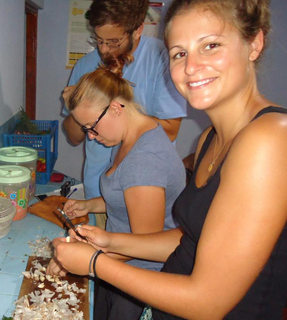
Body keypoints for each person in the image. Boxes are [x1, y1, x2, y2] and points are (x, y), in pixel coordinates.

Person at [52, 0, 287, 319]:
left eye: (211, 45)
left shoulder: (270, 138)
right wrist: (110, 240)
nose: (191, 67)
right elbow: (191, 237)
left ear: (254, 43)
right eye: (180, 53)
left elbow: (209, 302)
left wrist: (95, 263)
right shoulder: (209, 139)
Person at [49, 56, 185, 319]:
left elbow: (144, 246)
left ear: (115, 108)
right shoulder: (130, 137)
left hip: (138, 281)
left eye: (91, 127)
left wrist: (86, 259)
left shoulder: (145, 161)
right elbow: (125, 195)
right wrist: (90, 204)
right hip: (115, 263)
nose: (90, 136)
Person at [62, 0, 187, 229]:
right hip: (102, 194)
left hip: (143, 188)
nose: (104, 50)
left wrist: (117, 115)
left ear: (138, 29)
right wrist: (79, 107)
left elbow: (169, 130)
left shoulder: (162, 59)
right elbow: (74, 136)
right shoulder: (84, 65)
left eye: (113, 41)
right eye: (98, 40)